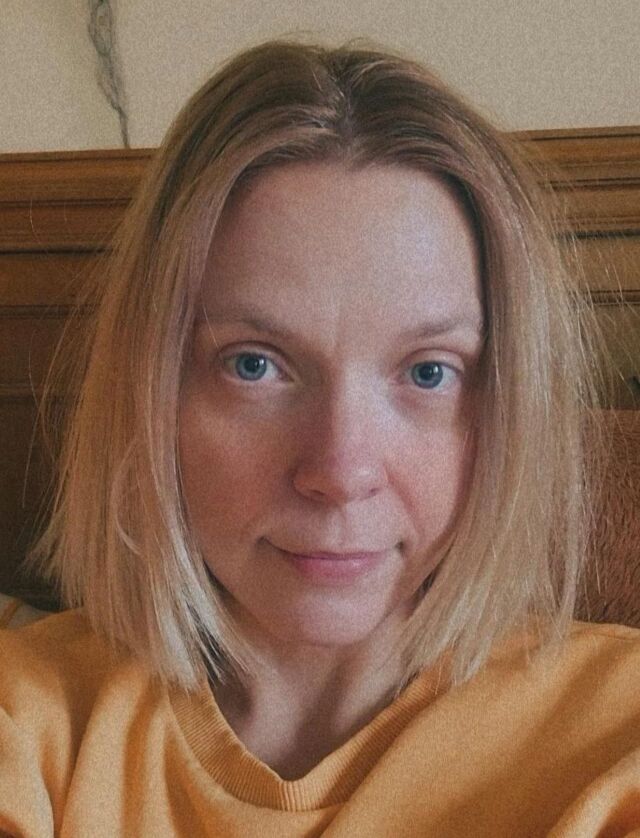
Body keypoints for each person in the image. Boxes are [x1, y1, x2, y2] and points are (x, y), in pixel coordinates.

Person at [1, 36, 639, 838]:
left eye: (429, 372)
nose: (340, 471)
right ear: (151, 394)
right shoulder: (30, 717)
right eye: (254, 365)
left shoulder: (617, 735)